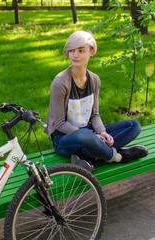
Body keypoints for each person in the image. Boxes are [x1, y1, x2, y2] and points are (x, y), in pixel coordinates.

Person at [44, 30, 148, 172]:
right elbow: (59, 123)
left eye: (81, 50)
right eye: (71, 50)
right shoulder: (60, 83)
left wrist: (103, 133)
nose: (75, 55)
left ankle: (89, 158)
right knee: (87, 137)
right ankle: (120, 156)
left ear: (91, 52)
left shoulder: (94, 80)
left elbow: (94, 115)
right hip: (63, 139)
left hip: (89, 132)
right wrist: (93, 136)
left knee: (134, 126)